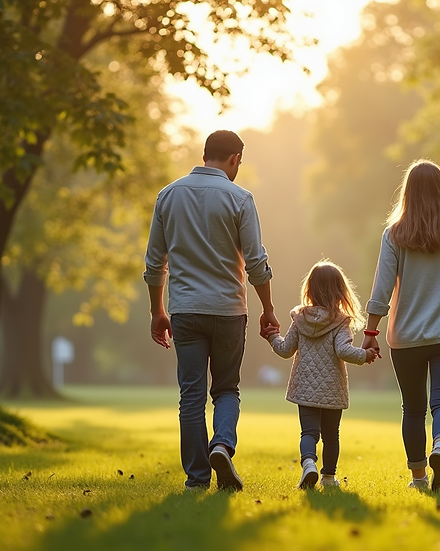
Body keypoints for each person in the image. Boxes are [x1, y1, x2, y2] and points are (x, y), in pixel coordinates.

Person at [143, 130, 280, 491]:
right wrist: (268, 308)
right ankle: (222, 445)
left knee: (191, 395)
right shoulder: (240, 198)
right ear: (235, 159)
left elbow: (155, 263)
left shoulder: (168, 195)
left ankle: (196, 479)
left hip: (185, 310)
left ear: (205, 155)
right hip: (228, 310)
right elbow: (256, 263)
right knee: (226, 389)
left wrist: (157, 310)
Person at [362, 159, 440, 493]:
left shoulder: (395, 234)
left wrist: (371, 333)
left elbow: (381, 289)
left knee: (413, 409)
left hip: (407, 338)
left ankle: (419, 479)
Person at [261, 261, 378, 489]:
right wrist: (365, 355)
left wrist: (272, 336)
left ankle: (308, 464)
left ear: (310, 289)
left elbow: (285, 350)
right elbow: (343, 350)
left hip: (305, 387)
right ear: (340, 291)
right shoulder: (340, 321)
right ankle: (328, 477)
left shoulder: (300, 318)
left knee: (308, 432)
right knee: (331, 435)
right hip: (332, 389)